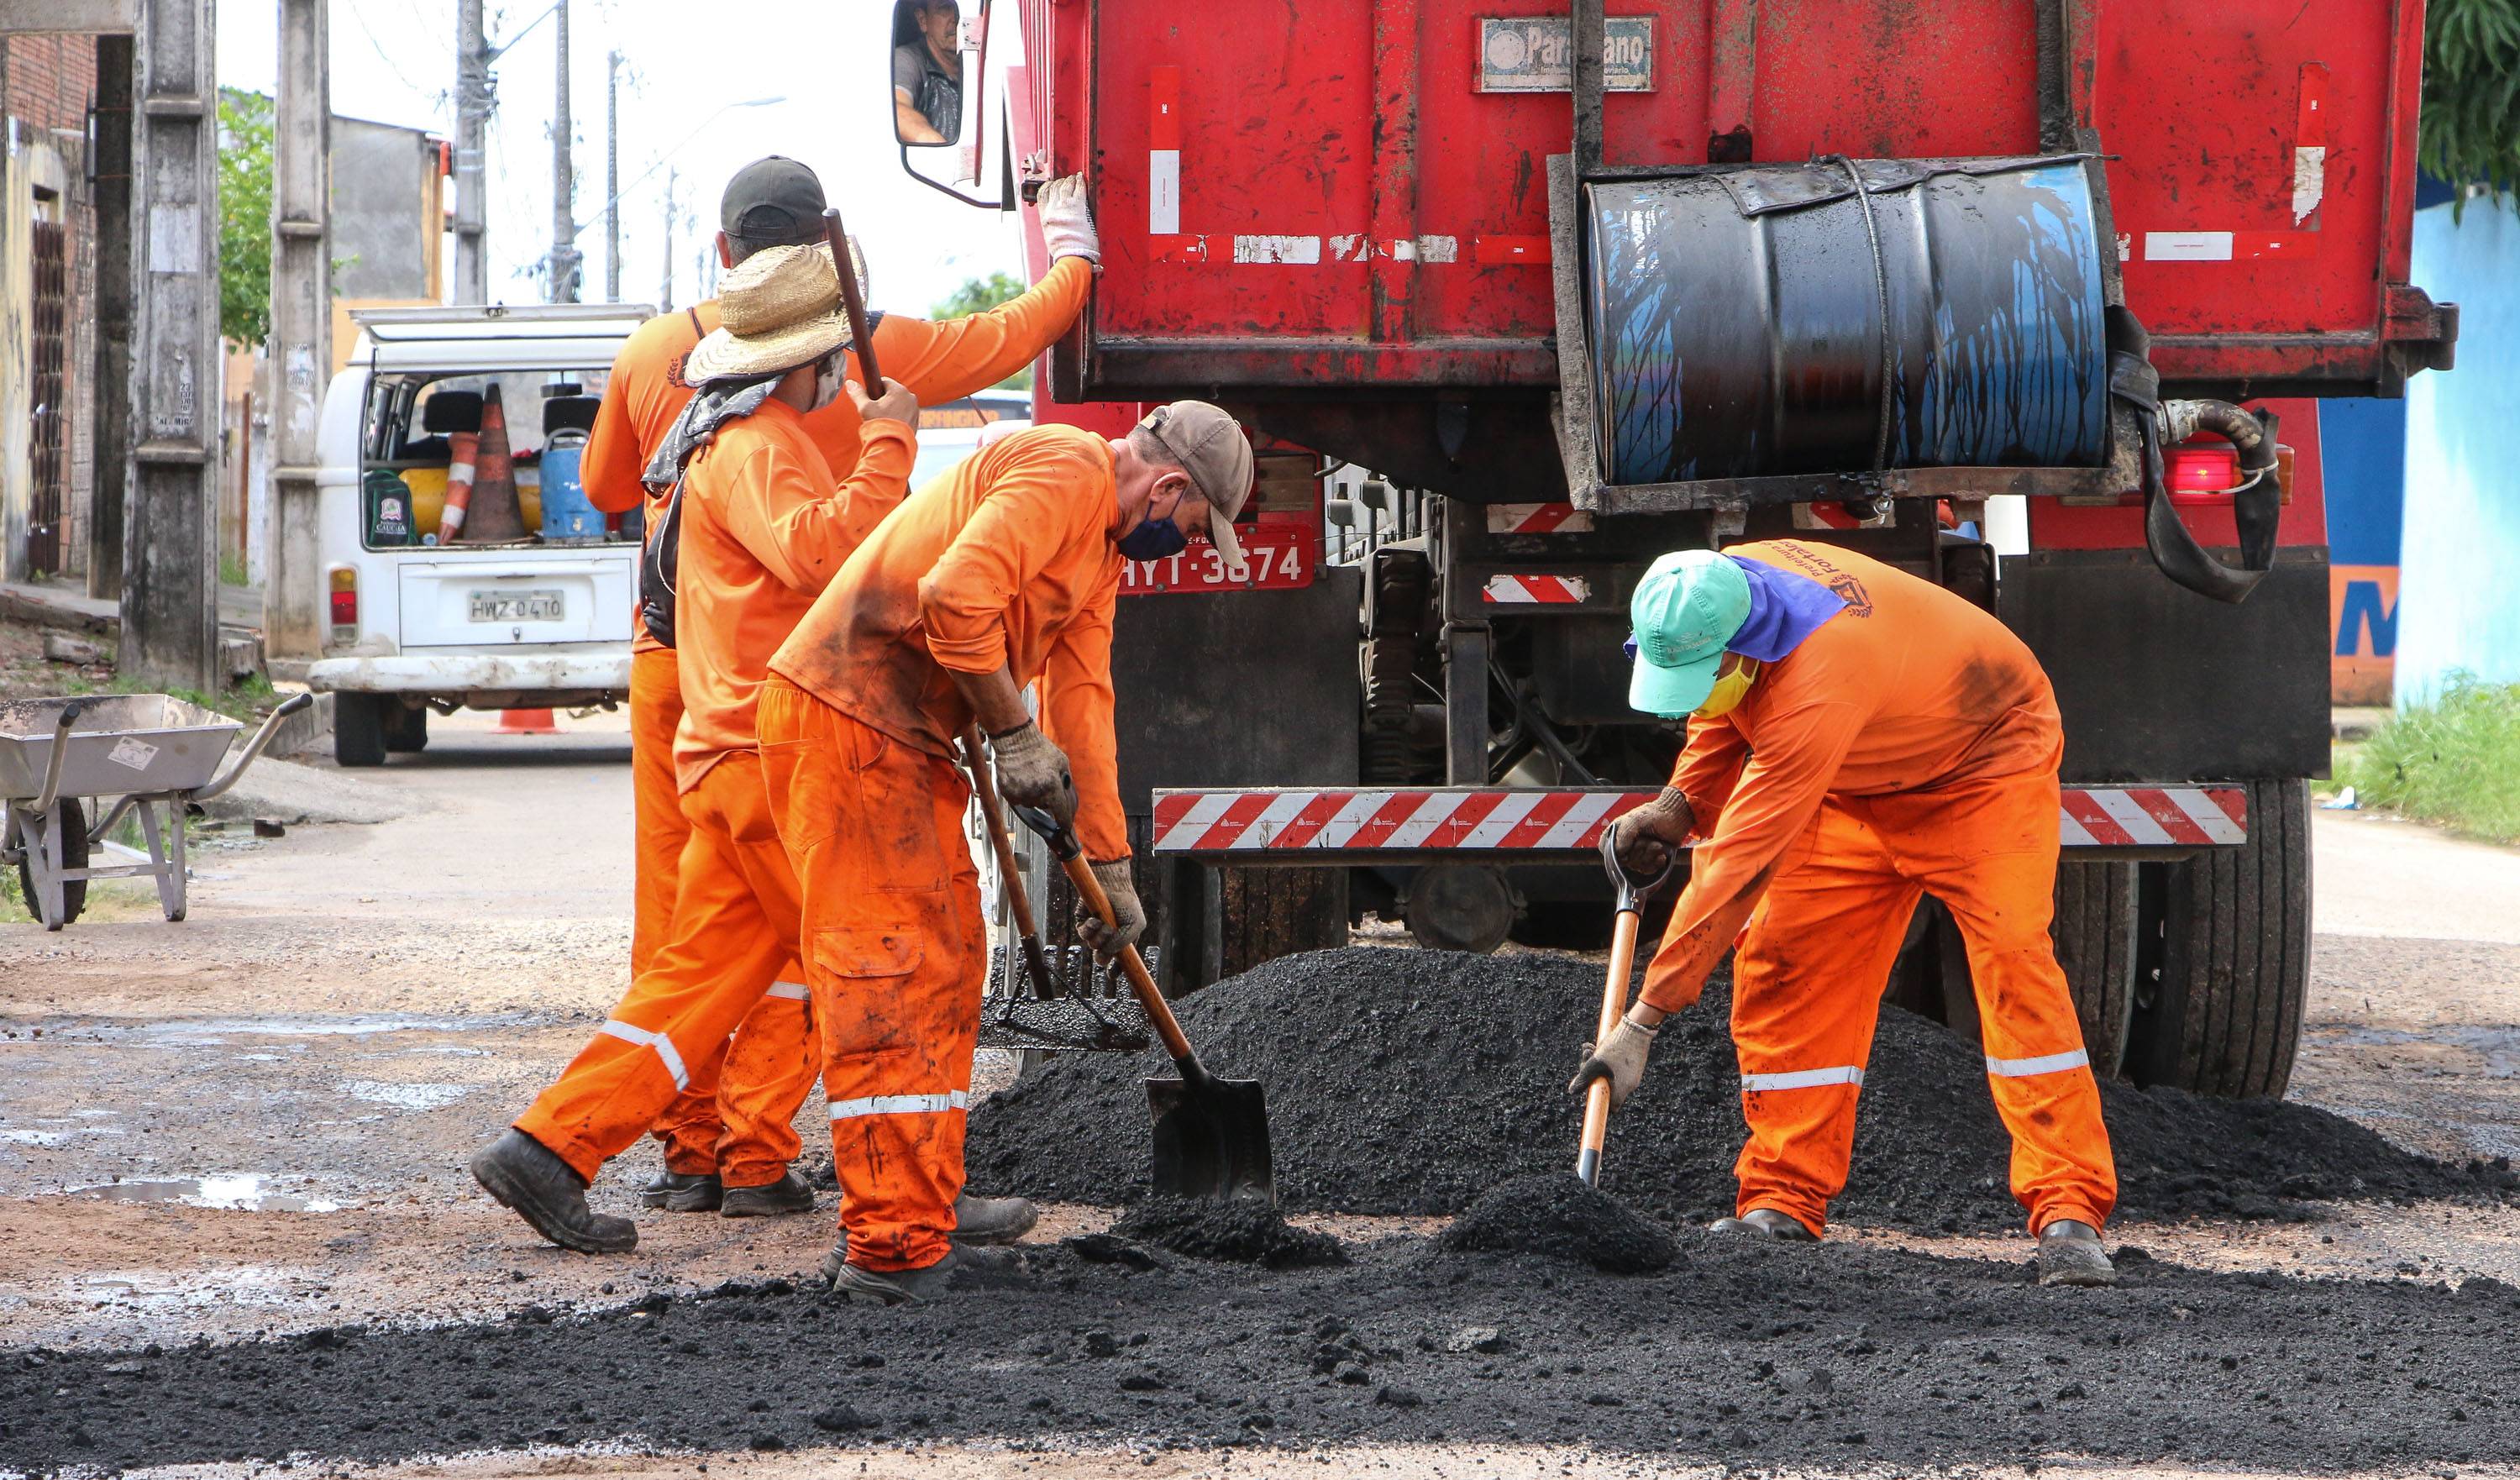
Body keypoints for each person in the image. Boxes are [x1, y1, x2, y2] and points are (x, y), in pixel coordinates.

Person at [575, 155, 1100, 1214]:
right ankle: (760, 1151)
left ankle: (688, 1151)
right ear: (820, 258)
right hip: (798, 685)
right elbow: (1007, 336)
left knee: (690, 920)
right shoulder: (869, 351)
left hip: (672, 663)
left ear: (724, 254)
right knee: (821, 928)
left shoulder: (651, 352)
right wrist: (1072, 251)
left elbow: (601, 488)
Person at [758, 400, 1253, 1305]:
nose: (1181, 545)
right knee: (888, 972)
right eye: (1188, 529)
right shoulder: (1064, 468)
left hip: (904, 736)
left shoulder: (1101, 551)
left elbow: (1086, 703)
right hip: (848, 715)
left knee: (948, 965)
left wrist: (1112, 869)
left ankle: (921, 1201)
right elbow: (954, 597)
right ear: (1170, 484)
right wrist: (1013, 734)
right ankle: (890, 1249)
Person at [1578, 539, 2120, 1288]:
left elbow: (1738, 864)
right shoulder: (1717, 589)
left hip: (1981, 766)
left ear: (1748, 647)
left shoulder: (1820, 678)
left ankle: (2069, 1211)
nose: (1699, 693)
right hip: (1855, 774)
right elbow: (1723, 706)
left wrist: (1644, 1019)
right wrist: (1679, 807)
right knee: (1785, 965)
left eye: (1708, 673)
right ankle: (1782, 1200)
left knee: (2013, 964)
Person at [892, 0, 962, 144]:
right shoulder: (907, 60)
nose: (956, 18)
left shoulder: (986, 63)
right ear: (923, 20)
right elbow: (896, 109)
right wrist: (934, 143)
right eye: (944, 8)